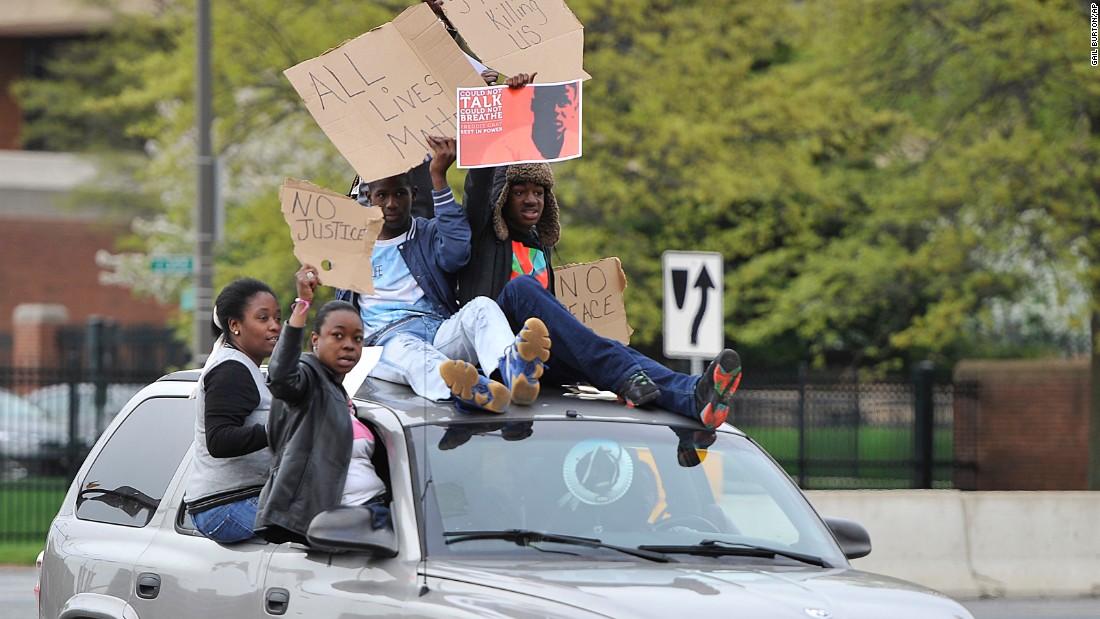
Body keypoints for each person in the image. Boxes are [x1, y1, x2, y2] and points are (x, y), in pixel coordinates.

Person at [461, 161, 742, 429]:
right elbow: (479, 189)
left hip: (536, 361)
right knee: (522, 288)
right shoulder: (484, 235)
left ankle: (690, 397)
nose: (531, 199)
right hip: (496, 357)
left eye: (538, 192)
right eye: (520, 193)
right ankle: (622, 374)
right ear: (502, 198)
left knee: (602, 347)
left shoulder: (540, 246)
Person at [334, 135, 552, 414]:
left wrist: (438, 178)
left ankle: (512, 372)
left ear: (413, 194)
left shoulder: (425, 232)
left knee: (483, 307)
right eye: (382, 195)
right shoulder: (352, 246)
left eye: (400, 194)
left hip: (437, 330)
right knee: (417, 356)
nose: (391, 204)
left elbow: (458, 252)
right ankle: (469, 390)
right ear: (369, 197)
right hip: (386, 343)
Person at [254, 267, 389, 545]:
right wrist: (303, 304)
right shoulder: (309, 378)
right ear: (315, 340)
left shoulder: (342, 394)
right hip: (346, 524)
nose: (349, 346)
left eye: (357, 338)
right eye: (337, 336)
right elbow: (281, 377)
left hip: (378, 511)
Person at [183, 278, 280, 543]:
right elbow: (219, 440)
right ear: (235, 325)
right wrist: (277, 430)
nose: (275, 326)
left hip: (244, 497)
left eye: (277, 317)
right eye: (263, 318)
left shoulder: (247, 367)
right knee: (317, 524)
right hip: (222, 507)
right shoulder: (231, 370)